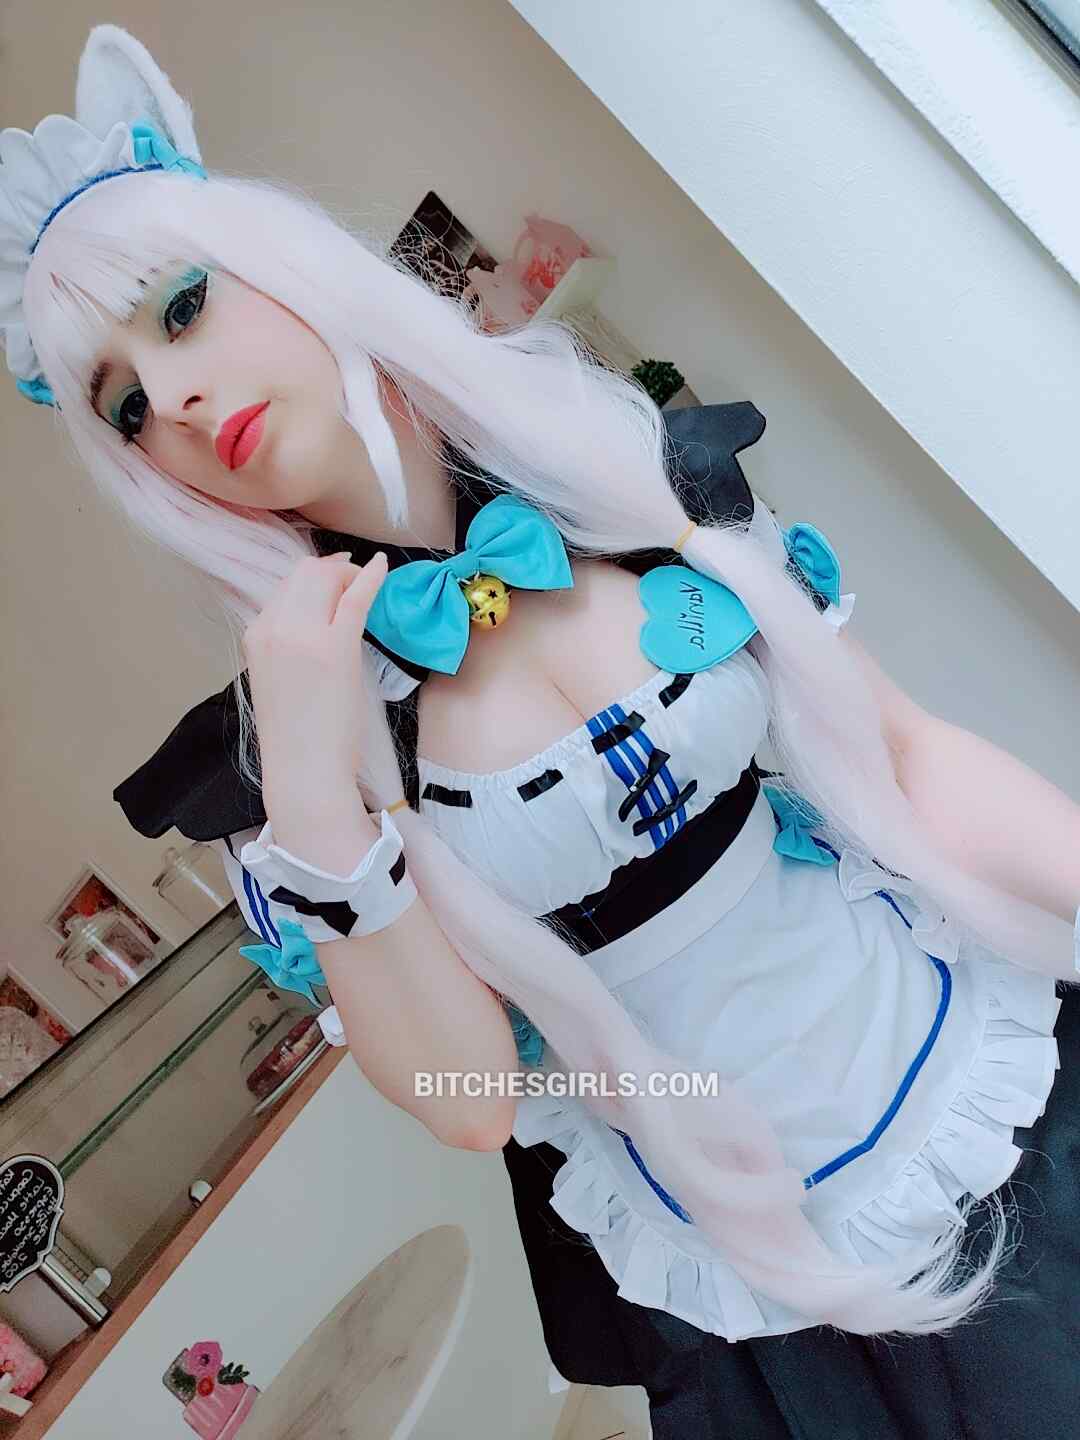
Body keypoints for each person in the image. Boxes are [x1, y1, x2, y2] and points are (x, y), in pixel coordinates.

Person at [6, 24, 1080, 1437]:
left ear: (282, 261)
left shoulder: (624, 478)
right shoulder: (294, 750)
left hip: (975, 1072)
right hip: (773, 1266)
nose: (180, 397)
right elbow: (468, 1097)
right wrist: (317, 793)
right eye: (129, 405)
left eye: (185, 306)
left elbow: (910, 755)